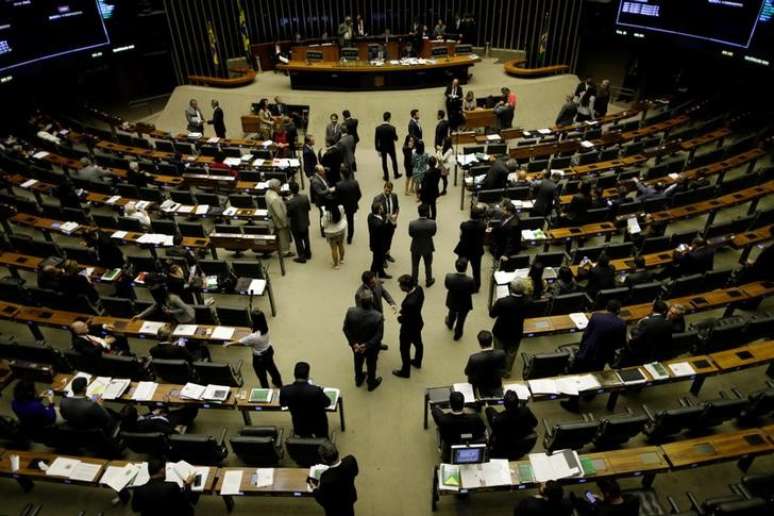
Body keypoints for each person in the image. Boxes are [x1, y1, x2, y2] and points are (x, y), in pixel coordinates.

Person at [561, 300, 627, 412]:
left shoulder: (596, 316)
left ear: (606, 308)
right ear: (618, 311)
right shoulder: (621, 323)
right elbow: (620, 343)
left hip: (587, 352)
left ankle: (573, 404)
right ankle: (589, 395)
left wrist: (582, 348)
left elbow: (586, 334)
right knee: (595, 374)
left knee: (578, 377)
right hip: (603, 355)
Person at [224, 310, 283, 388]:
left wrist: (229, 343)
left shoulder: (253, 337)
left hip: (259, 358)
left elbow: (241, 342)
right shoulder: (265, 328)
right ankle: (278, 383)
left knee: (262, 376)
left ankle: (266, 390)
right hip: (269, 351)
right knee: (272, 369)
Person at [343, 290, 384, 391]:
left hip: (356, 345)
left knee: (357, 361)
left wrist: (354, 343)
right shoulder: (378, 316)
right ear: (372, 300)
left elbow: (346, 329)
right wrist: (366, 345)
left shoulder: (350, 311)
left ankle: (358, 379)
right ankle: (371, 383)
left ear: (360, 301)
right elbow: (379, 335)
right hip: (371, 347)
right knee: (371, 364)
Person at [279, 362, 331, 438]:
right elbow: (327, 403)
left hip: (299, 425)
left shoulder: (285, 390)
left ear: (294, 375)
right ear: (307, 376)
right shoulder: (316, 390)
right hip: (319, 426)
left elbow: (282, 404)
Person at [131, 458, 198, 516]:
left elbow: (135, 509)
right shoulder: (172, 486)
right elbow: (185, 501)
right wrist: (188, 484)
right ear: (162, 470)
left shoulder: (138, 490)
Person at [431, 391, 486, 460]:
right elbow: (482, 430)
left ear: (450, 405)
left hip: (450, 449)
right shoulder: (475, 418)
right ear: (463, 404)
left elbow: (435, 412)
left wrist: (436, 408)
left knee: (435, 411)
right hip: (472, 446)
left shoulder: (443, 420)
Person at [309, 442, 359, 516]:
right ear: (337, 452)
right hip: (349, 500)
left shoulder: (326, 479)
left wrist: (314, 488)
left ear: (324, 460)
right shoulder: (350, 461)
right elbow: (356, 472)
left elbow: (323, 500)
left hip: (334, 510)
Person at [489, 279, 527, 374]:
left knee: (498, 351)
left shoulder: (502, 301)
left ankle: (498, 369)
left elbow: (492, 314)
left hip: (500, 330)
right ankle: (507, 371)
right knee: (511, 353)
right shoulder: (528, 302)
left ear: (510, 289)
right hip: (516, 331)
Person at [392, 274, 425, 378]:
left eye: (401, 285)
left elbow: (406, 318)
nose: (399, 287)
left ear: (406, 287)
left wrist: (400, 318)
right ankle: (417, 361)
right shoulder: (419, 289)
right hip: (418, 322)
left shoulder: (409, 304)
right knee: (418, 343)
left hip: (408, 328)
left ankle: (405, 371)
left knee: (404, 349)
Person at [625, 300, 673, 364]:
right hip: (658, 351)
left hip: (643, 350)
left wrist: (630, 337)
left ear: (652, 309)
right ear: (664, 311)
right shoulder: (669, 323)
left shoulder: (646, 322)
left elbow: (637, 338)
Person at [454, 204, 486, 292]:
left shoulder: (464, 225)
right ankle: (476, 287)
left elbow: (461, 236)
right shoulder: (483, 225)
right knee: (476, 270)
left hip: (464, 249)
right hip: (476, 250)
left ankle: (459, 284)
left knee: (461, 267)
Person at [464, 330, 506, 396]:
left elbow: (467, 372)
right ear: (491, 341)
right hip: (495, 382)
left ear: (480, 343)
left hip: (480, 385)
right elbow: (503, 368)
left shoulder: (474, 358)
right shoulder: (501, 353)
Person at [445, 258, 476, 341]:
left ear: (455, 266)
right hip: (464, 303)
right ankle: (457, 334)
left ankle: (450, 324)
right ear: (466, 268)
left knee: (451, 312)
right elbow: (473, 291)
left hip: (452, 300)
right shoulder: (470, 280)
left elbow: (447, 286)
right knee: (461, 319)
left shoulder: (449, 277)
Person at [574, 478, 640, 516]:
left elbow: (602, 508)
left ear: (607, 494)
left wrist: (596, 502)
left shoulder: (601, 510)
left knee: (581, 501)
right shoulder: (633, 499)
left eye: (600, 490)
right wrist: (602, 500)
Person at [409, 203, 437, 287]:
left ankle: (414, 281)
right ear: (427, 212)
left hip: (415, 247)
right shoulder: (432, 223)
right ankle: (429, 280)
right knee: (428, 265)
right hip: (427, 246)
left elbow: (411, 234)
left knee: (415, 265)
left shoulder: (412, 223)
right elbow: (433, 233)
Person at [373, 182, 400, 263]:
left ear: (392, 189)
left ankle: (387, 254)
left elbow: (397, 208)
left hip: (391, 223)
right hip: (382, 224)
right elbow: (375, 212)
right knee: (382, 241)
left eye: (389, 188)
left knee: (389, 239)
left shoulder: (394, 196)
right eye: (386, 188)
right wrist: (386, 216)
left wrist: (396, 216)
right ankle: (382, 258)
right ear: (384, 188)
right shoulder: (378, 199)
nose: (388, 190)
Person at [286, 181, 312, 263]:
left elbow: (288, 214)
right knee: (306, 239)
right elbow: (309, 208)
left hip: (296, 224)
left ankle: (302, 257)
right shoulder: (305, 197)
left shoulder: (290, 202)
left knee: (298, 241)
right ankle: (308, 254)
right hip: (305, 221)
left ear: (290, 191)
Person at [336, 166, 361, 244]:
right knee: (351, 222)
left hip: (342, 206)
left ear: (342, 175)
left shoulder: (339, 185)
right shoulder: (355, 183)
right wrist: (354, 201)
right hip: (351, 205)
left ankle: (339, 237)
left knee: (339, 221)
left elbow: (337, 197)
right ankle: (349, 238)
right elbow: (359, 195)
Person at [322, 196, 347, 269]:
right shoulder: (340, 208)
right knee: (341, 245)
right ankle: (341, 259)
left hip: (331, 232)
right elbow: (342, 216)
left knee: (333, 248)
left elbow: (324, 224)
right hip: (341, 229)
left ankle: (336, 265)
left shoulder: (326, 213)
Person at [375, 111, 401, 181]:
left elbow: (376, 140)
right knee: (394, 160)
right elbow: (396, 138)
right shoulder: (392, 128)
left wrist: (377, 149)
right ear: (389, 118)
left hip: (382, 148)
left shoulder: (378, 128)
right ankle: (396, 174)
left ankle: (386, 177)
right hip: (391, 147)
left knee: (384, 162)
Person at [367, 202, 390, 279]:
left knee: (380, 260)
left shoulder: (370, 216)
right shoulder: (379, 224)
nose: (383, 208)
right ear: (379, 210)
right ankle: (371, 277)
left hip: (374, 243)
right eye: (381, 207)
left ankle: (381, 273)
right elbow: (386, 233)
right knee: (376, 261)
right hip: (379, 245)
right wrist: (387, 221)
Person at [311, 165, 335, 234]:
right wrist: (329, 190)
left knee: (326, 214)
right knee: (322, 215)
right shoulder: (315, 181)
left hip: (326, 198)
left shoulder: (321, 175)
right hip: (321, 201)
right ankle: (323, 231)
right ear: (318, 172)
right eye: (322, 171)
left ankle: (327, 226)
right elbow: (320, 193)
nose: (324, 172)